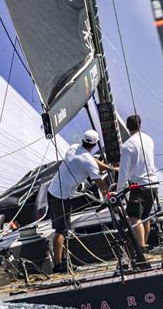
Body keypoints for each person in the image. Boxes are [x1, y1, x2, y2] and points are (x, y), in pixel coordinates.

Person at [47, 130, 110, 273]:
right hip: (59, 196)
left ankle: (64, 262)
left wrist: (110, 168)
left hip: (57, 193)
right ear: (94, 145)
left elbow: (92, 160)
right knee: (60, 230)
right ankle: (58, 265)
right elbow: (101, 184)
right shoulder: (88, 161)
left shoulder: (73, 148)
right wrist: (109, 198)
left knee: (64, 229)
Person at [117, 114, 157, 249]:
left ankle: (141, 249)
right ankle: (144, 247)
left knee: (134, 217)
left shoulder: (127, 146)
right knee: (145, 216)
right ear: (140, 125)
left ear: (127, 127)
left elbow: (123, 172)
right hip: (153, 184)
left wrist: (119, 192)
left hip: (139, 186)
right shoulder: (149, 139)